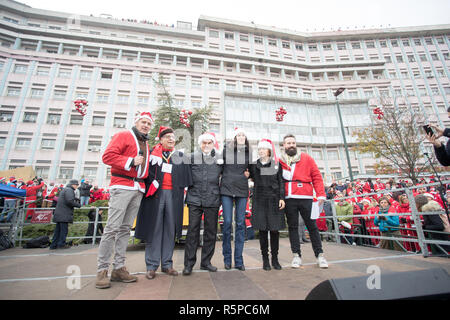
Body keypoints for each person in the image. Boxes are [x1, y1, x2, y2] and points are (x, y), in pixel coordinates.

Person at [96, 111, 153, 289]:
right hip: (122, 186)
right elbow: (107, 156)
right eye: (143, 122)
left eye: (149, 124)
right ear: (136, 122)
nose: (146, 125)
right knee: (112, 228)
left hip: (137, 188)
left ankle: (119, 268)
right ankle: (102, 270)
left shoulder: (145, 142)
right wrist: (130, 161)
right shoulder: (124, 135)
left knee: (125, 229)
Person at [135, 126, 192, 280]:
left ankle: (167, 264)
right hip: (155, 197)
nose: (171, 139)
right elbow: (143, 174)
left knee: (170, 230)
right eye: (167, 137)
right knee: (155, 229)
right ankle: (152, 266)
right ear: (160, 139)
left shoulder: (181, 156)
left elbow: (187, 179)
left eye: (173, 137)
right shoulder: (152, 154)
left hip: (174, 196)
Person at [280, 134, 328, 269]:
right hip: (289, 198)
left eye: (293, 143)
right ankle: (296, 255)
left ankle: (320, 255)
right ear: (284, 145)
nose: (291, 145)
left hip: (306, 196)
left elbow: (317, 176)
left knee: (312, 226)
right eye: (288, 143)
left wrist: (321, 195)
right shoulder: (280, 161)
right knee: (293, 227)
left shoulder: (307, 158)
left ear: (296, 144)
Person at [183, 133, 223, 275]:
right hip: (194, 198)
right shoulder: (191, 157)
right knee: (192, 232)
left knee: (210, 232)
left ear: (213, 144)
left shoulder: (220, 158)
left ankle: (206, 262)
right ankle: (188, 264)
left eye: (209, 143)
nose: (206, 145)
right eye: (204, 143)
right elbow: (184, 175)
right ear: (200, 144)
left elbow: (226, 175)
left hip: (212, 199)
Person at [249, 139, 285, 271]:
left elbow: (281, 181)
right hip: (259, 200)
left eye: (264, 149)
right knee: (263, 230)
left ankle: (275, 259)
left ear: (269, 151)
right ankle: (265, 259)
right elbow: (248, 175)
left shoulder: (276, 164)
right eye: (259, 149)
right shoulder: (253, 165)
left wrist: (282, 198)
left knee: (274, 230)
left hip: (274, 199)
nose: (261, 151)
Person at [220, 128, 251, 271]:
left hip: (242, 190)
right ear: (235, 137)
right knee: (226, 223)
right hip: (226, 189)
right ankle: (227, 259)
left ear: (245, 138)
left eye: (243, 135)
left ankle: (239, 260)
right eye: (239, 135)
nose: (241, 137)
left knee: (240, 224)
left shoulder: (248, 153)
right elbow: (218, 167)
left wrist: (249, 174)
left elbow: (251, 170)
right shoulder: (226, 150)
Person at [50, 180, 81, 249]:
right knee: (63, 231)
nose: (77, 186)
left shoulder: (65, 190)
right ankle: (61, 244)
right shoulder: (69, 190)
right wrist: (78, 205)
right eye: (76, 185)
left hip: (60, 213)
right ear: (73, 184)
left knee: (57, 231)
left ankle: (54, 245)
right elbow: (69, 201)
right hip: (64, 213)